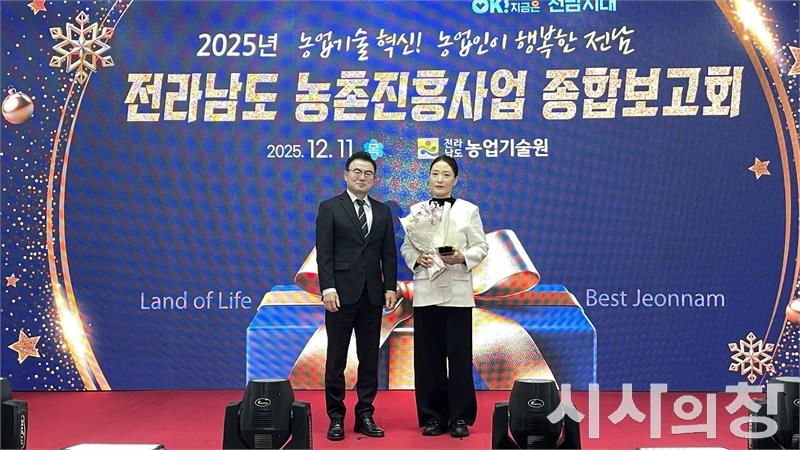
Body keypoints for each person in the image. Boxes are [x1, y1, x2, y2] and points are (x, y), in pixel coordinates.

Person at [400, 155, 489, 438]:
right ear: (428, 177)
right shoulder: (416, 211)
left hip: (458, 293)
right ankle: (432, 417)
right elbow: (406, 248)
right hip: (426, 291)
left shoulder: (469, 210)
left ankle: (460, 417)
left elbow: (481, 246)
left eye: (446, 174)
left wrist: (463, 257)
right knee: (428, 358)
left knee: (459, 357)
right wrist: (418, 258)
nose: (440, 179)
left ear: (455, 179)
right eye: (435, 173)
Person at [315, 151, 398, 441]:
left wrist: (390, 287)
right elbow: (324, 252)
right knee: (336, 359)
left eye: (368, 173)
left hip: (372, 296)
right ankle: (336, 417)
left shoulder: (383, 211)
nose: (362, 177)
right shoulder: (330, 207)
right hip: (339, 295)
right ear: (346, 175)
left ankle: (365, 414)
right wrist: (327, 288)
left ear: (374, 179)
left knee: (369, 359)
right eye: (357, 172)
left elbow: (388, 253)